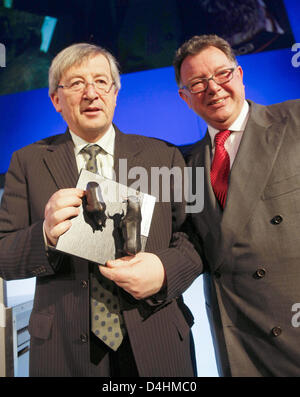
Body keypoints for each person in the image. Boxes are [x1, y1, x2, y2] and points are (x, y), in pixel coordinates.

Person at [0, 43, 202, 377]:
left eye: (101, 82)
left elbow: (194, 239)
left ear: (115, 93)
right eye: (77, 84)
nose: (91, 93)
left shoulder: (163, 156)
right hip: (62, 349)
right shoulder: (27, 161)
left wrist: (164, 271)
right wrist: (45, 236)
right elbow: (3, 253)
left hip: (157, 339)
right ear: (56, 100)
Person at [174, 34, 300, 376]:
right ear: (185, 98)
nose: (213, 88)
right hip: (244, 346)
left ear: (240, 75)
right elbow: (191, 249)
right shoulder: (186, 167)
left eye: (222, 74)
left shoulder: (296, 119)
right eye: (198, 83)